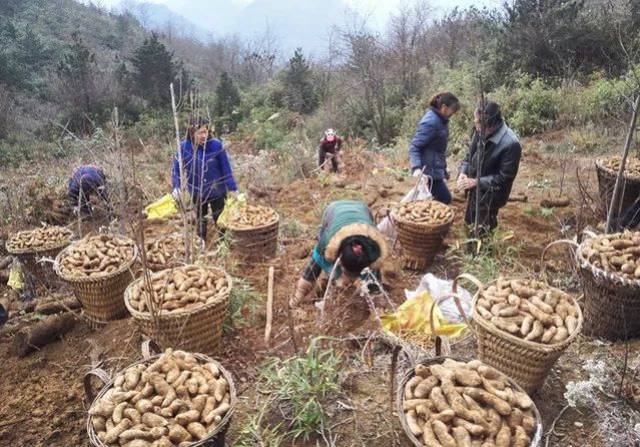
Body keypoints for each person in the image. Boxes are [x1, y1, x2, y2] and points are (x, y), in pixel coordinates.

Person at [290, 200, 388, 308]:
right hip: (333, 210)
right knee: (321, 260)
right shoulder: (327, 242)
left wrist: (377, 300)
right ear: (339, 258)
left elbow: (374, 274)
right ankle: (325, 282)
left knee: (372, 280)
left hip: (363, 210)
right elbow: (315, 261)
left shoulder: (374, 250)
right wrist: (299, 295)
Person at [457, 101, 522, 237]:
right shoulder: (480, 130)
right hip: (474, 188)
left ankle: (483, 253)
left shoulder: (511, 144)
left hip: (491, 195)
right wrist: (463, 172)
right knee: (470, 222)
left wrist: (477, 182)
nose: (475, 125)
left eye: (478, 122)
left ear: (490, 124)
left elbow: (505, 178)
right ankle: (470, 250)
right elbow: (469, 155)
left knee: (484, 229)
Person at [172, 118, 238, 240]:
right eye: (200, 133)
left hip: (217, 190)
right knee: (200, 219)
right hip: (197, 192)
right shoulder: (184, 147)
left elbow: (226, 168)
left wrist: (233, 188)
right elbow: (177, 169)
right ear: (192, 133)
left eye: (205, 132)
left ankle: (223, 242)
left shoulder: (216, 145)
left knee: (220, 218)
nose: (204, 135)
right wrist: (177, 187)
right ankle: (201, 242)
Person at [409, 92, 460, 204]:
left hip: (435, 169)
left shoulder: (442, 120)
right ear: (444, 107)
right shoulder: (431, 122)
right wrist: (416, 168)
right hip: (427, 173)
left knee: (440, 200)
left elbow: (438, 149)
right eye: (453, 110)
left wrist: (443, 168)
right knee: (444, 199)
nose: (453, 113)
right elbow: (415, 146)